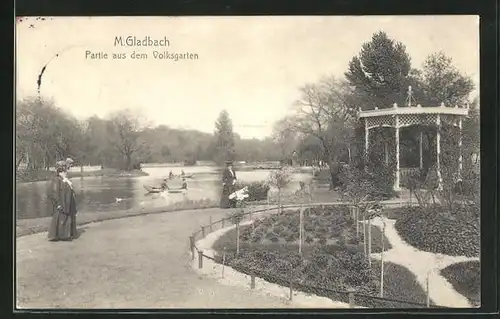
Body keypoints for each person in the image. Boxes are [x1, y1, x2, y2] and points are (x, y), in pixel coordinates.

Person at [47, 160, 78, 241]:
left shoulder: (65, 180)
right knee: (61, 218)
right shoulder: (57, 180)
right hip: (62, 203)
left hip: (67, 202)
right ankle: (59, 235)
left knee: (66, 218)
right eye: (64, 171)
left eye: (65, 170)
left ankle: (66, 235)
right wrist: (58, 203)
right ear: (60, 172)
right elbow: (54, 192)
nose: (66, 172)